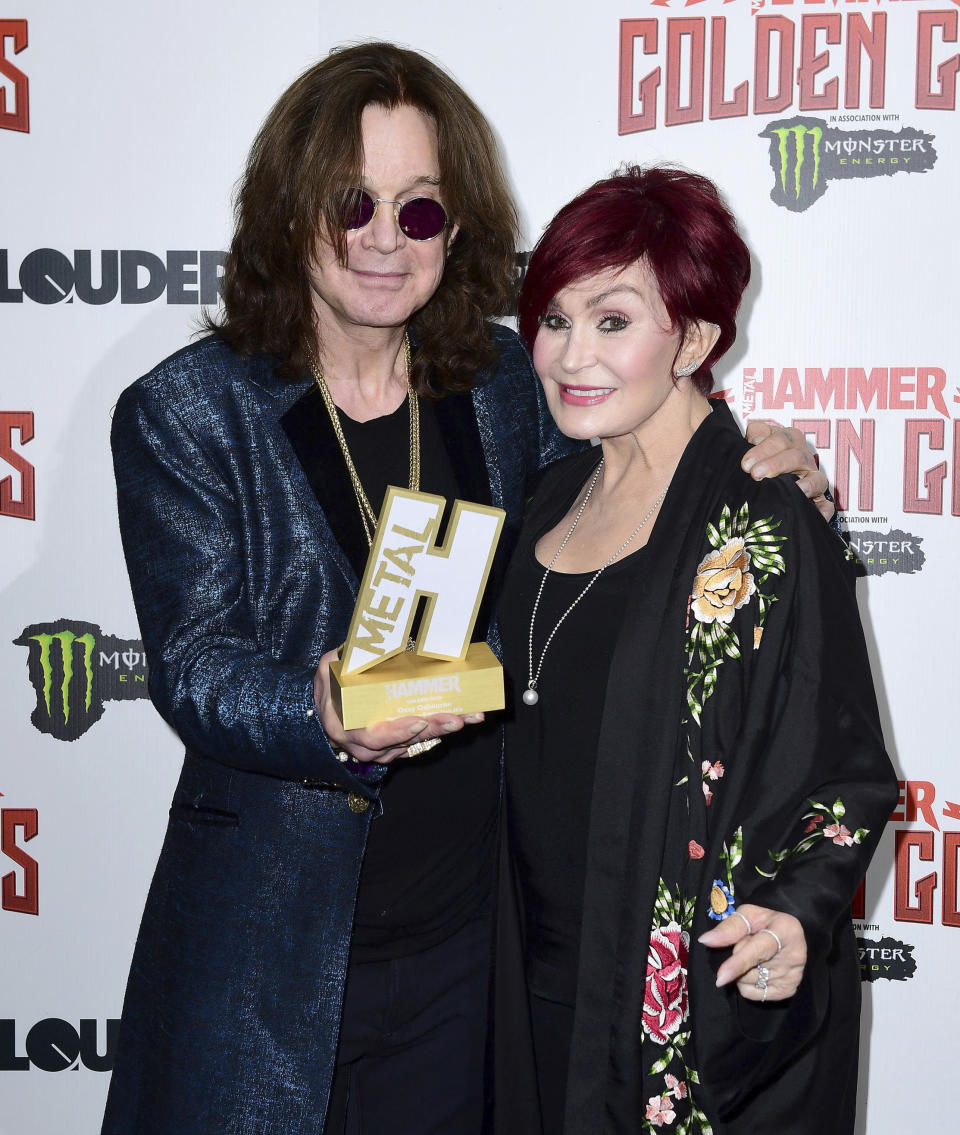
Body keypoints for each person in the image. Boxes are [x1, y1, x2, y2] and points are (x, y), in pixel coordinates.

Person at [102, 44, 829, 1135]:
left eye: (421, 210)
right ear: (289, 210)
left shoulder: (503, 384)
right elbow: (197, 665)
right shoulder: (188, 412)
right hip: (277, 945)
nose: (385, 239)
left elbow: (629, 486)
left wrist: (760, 471)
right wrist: (323, 708)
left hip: (471, 946)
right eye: (352, 202)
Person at [495, 165, 897, 1134]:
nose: (571, 355)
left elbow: (843, 769)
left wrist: (798, 915)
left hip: (674, 1019)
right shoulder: (543, 500)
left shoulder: (762, 518)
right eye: (555, 319)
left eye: (614, 320)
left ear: (699, 337)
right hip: (525, 998)